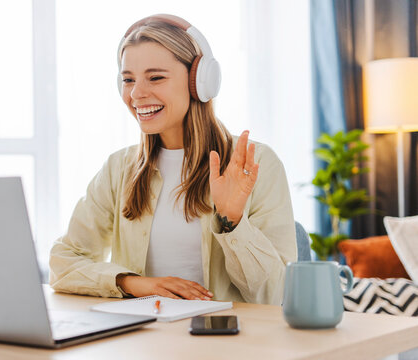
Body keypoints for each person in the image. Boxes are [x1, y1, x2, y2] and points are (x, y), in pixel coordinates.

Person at [49, 14, 296, 305]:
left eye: (155, 77)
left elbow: (277, 295)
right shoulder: (118, 169)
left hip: (227, 342)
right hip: (143, 342)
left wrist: (233, 221)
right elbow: (63, 263)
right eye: (128, 80)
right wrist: (136, 284)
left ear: (199, 83)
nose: (137, 94)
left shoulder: (256, 164)